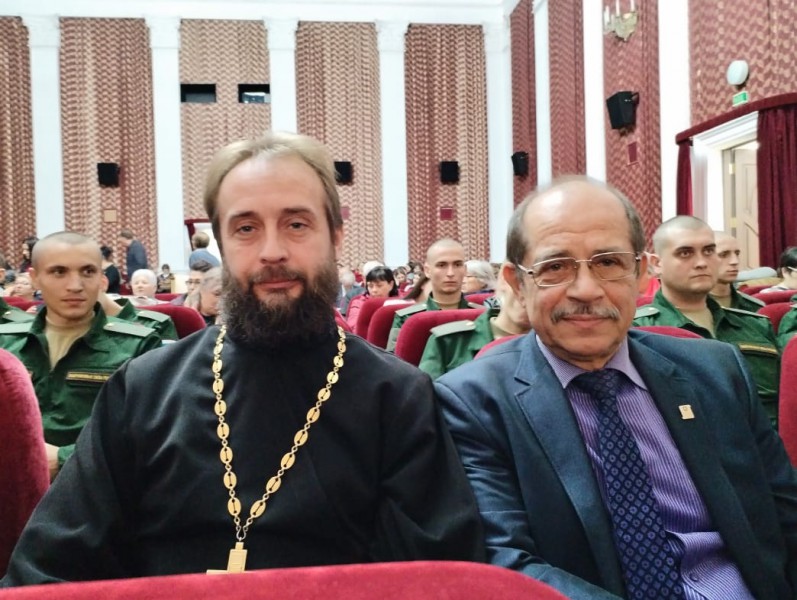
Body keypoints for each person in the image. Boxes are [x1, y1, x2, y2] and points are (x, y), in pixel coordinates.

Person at [1, 131, 484, 585]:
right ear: (222, 244)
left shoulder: (399, 397)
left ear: (336, 235)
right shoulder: (143, 389)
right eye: (246, 228)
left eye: (297, 224)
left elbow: (432, 581)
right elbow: (50, 570)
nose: (272, 251)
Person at [434, 177, 797, 600]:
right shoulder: (473, 402)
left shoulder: (715, 371)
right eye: (555, 267)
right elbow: (505, 562)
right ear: (517, 282)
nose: (587, 290)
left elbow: (785, 515)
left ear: (641, 273)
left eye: (608, 263)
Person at [0, 232, 162, 482]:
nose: (75, 285)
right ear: (35, 278)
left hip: (96, 488)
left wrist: (63, 459)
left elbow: (148, 437)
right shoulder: (5, 343)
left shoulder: (137, 345)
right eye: (59, 272)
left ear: (101, 278)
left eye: (88, 272)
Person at [634, 216, 780, 427]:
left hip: (764, 442)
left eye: (709, 251)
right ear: (657, 264)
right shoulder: (639, 329)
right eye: (685, 253)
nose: (701, 262)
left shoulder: (755, 325)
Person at [419, 268, 531, 379]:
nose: (526, 297)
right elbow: (426, 388)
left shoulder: (541, 345)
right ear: (505, 279)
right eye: (521, 283)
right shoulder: (449, 341)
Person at [387, 239, 479, 351]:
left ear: (465, 270)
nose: (450, 273)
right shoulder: (408, 318)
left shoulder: (480, 316)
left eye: (457, 265)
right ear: (427, 270)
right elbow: (395, 359)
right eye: (441, 265)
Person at [708, 232, 764, 312]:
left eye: (737, 254)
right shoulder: (692, 306)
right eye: (723, 255)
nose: (735, 261)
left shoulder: (753, 307)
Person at [344, 265, 402, 330]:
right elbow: (353, 327)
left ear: (391, 284)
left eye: (379, 285)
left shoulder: (401, 302)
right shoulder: (359, 303)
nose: (374, 290)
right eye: (370, 286)